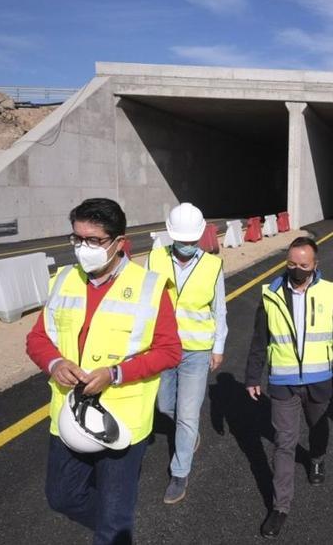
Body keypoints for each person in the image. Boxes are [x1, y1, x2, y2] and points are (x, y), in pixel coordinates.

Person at [26, 198, 182, 545]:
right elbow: (38, 337)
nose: (84, 248)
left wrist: (115, 374)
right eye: (77, 238)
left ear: (119, 242)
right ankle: (115, 530)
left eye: (94, 240)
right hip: (68, 414)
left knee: (114, 521)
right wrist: (55, 363)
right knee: (62, 497)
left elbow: (170, 350)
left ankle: (114, 531)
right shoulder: (63, 279)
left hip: (121, 421)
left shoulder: (150, 287)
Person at [245, 237, 333, 538]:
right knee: (284, 442)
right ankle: (280, 506)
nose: (297, 269)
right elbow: (260, 339)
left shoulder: (329, 292)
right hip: (282, 382)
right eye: (292, 264)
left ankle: (317, 457)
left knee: (317, 427)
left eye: (304, 265)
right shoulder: (270, 294)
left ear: (315, 264)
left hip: (318, 380)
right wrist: (252, 376)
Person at [146, 202, 228, 504]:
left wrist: (218, 346)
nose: (187, 245)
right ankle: (190, 434)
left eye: (191, 241)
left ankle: (179, 473)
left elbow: (219, 308)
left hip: (197, 351)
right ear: (171, 236)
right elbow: (145, 303)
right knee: (166, 406)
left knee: (187, 414)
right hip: (163, 347)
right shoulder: (155, 259)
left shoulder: (212, 265)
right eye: (182, 240)